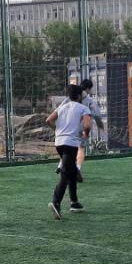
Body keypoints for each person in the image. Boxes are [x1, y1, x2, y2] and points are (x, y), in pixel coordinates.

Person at [46, 83, 92, 218]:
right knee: (66, 173)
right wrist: (86, 134)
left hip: (59, 142)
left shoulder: (62, 107)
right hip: (70, 143)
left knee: (71, 171)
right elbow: (87, 124)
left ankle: (74, 202)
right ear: (79, 96)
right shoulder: (83, 108)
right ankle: (56, 202)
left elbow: (48, 120)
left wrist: (57, 131)